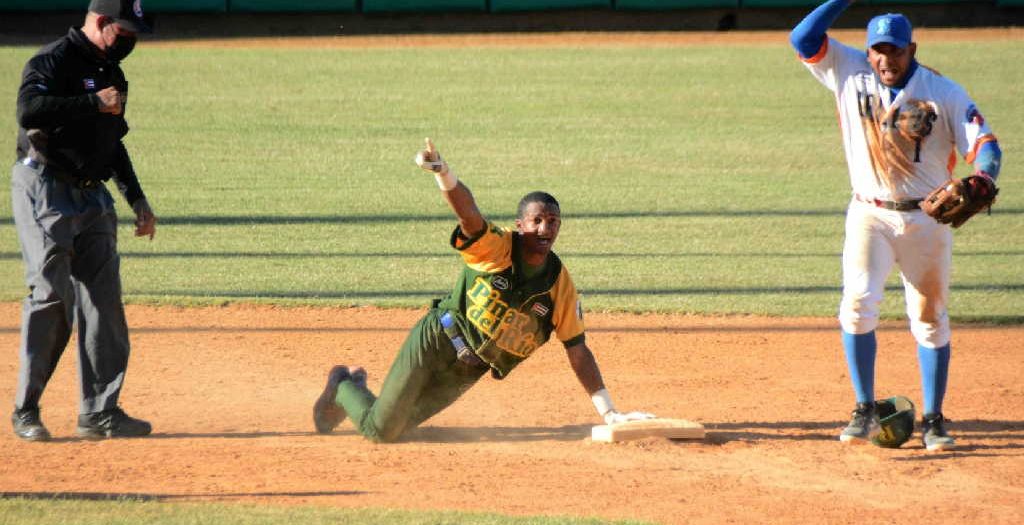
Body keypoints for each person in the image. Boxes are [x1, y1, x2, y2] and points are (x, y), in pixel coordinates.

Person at [312, 138, 655, 442]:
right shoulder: (496, 247)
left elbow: (578, 352)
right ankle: (344, 384)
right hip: (436, 342)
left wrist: (610, 413)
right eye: (537, 220)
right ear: (521, 225)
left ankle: (360, 393)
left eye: (552, 222)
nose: (544, 228)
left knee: (399, 429)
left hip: (467, 370)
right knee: (381, 431)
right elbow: (469, 215)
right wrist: (443, 173)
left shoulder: (559, 285)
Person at [790, 0, 1003, 450]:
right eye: (879, 51)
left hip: (926, 219)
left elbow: (985, 143)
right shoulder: (846, 69)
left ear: (913, 48)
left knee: (929, 319)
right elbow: (802, 39)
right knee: (858, 305)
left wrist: (983, 176)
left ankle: (933, 419)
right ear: (868, 52)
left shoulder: (943, 91)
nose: (887, 60)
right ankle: (865, 408)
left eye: (896, 51)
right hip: (869, 213)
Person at [10, 0, 158, 441]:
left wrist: (136, 198)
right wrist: (91, 102)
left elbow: (112, 142)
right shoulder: (51, 60)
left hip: (93, 194)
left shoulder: (112, 72)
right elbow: (29, 111)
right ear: (100, 21)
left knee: (104, 302)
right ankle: (26, 409)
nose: (130, 41)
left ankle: (100, 412)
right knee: (53, 297)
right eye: (124, 32)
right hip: (45, 187)